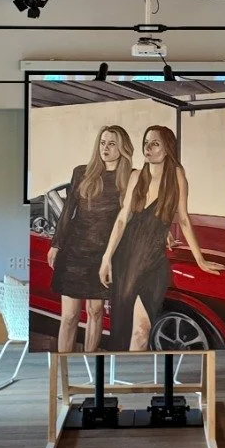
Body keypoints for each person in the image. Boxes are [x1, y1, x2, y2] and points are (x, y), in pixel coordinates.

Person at [98, 125, 225, 351]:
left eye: (155, 143)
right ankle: (121, 377)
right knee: (122, 327)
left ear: (167, 148)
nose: (148, 147)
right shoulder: (136, 176)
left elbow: (184, 219)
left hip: (154, 265)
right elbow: (122, 219)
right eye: (146, 142)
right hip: (125, 261)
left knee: (142, 329)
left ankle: (138, 378)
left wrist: (200, 259)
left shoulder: (177, 175)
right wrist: (106, 258)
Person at [47, 125, 133, 353]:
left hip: (104, 254)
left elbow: (133, 217)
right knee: (69, 316)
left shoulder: (129, 179)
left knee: (96, 312)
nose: (105, 148)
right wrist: (56, 244)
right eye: (102, 143)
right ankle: (63, 364)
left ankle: (89, 361)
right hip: (74, 251)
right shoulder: (81, 172)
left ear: (122, 148)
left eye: (112, 143)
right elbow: (68, 212)